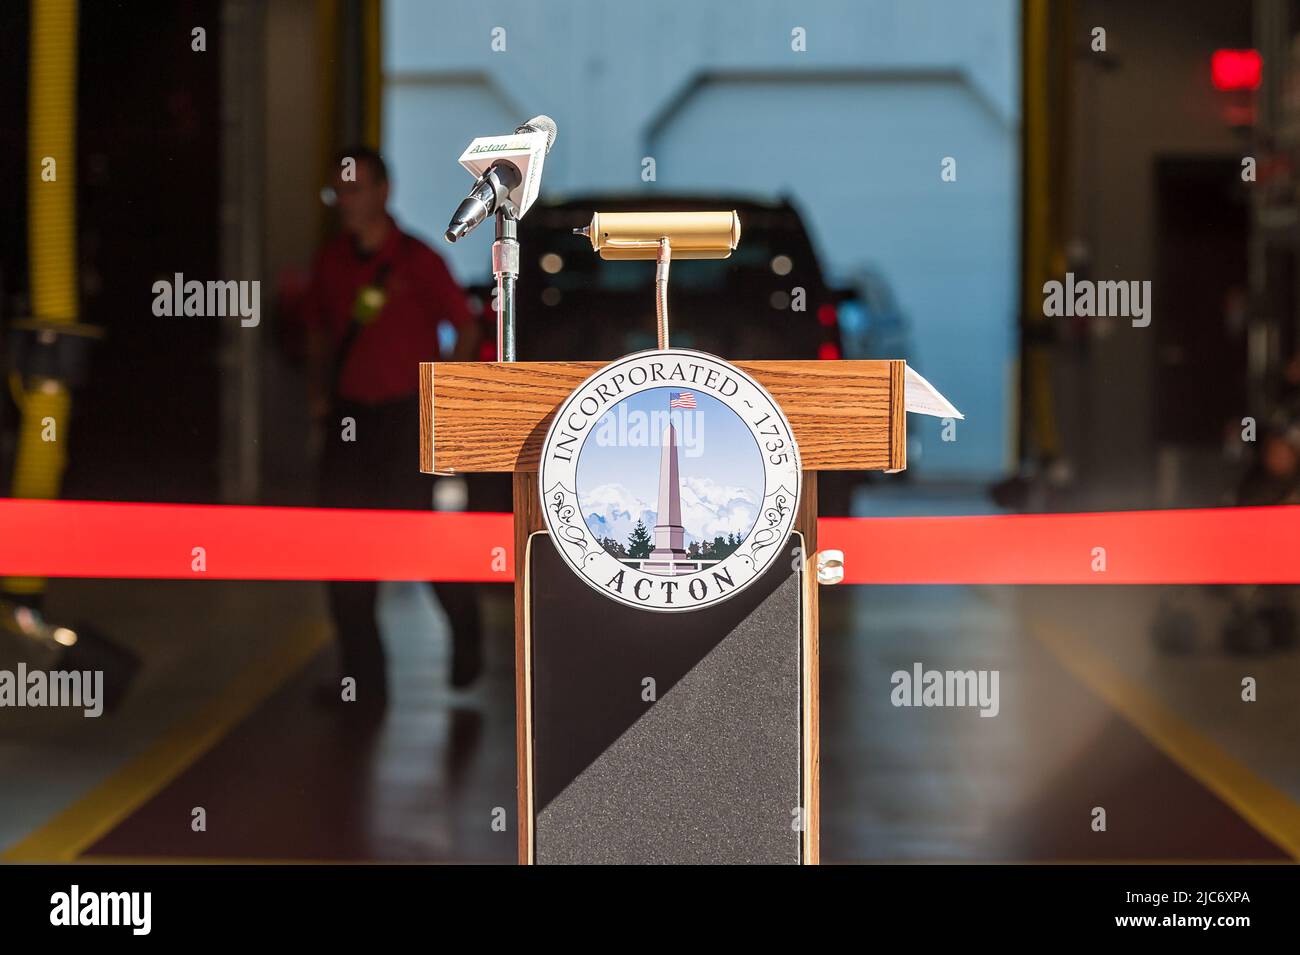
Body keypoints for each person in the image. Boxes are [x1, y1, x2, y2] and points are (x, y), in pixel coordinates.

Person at [304, 146, 484, 712]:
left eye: (354, 189)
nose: (345, 202)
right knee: (344, 554)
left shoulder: (419, 261)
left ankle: (467, 632)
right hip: (351, 417)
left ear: (384, 191)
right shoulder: (331, 263)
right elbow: (318, 332)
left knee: (416, 540)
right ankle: (363, 683)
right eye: (338, 191)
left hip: (405, 417)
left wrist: (442, 399)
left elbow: (466, 327)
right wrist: (319, 395)